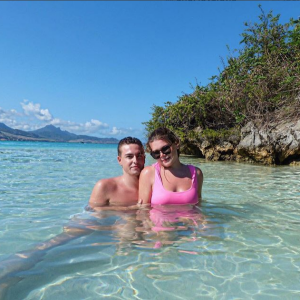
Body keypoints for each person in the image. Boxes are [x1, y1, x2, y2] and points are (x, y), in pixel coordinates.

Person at [138, 127, 203, 205]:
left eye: (165, 149)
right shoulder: (148, 173)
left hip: (190, 217)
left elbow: (198, 206)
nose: (162, 155)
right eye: (156, 153)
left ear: (176, 144)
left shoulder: (196, 173)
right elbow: (143, 211)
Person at [88, 136, 145, 209]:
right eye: (129, 156)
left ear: (144, 158)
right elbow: (91, 213)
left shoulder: (153, 186)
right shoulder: (105, 186)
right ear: (119, 160)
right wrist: (129, 208)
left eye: (139, 156)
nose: (135, 161)